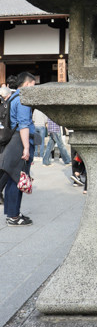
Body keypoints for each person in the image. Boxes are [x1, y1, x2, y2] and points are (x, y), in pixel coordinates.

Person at [0, 71, 36, 226]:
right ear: (27, 84)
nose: (34, 89)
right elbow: (24, 125)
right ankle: (13, 216)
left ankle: (13, 213)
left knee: (13, 178)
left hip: (13, 141)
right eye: (33, 86)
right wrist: (26, 148)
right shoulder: (22, 100)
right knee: (17, 179)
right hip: (20, 142)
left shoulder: (13, 97)